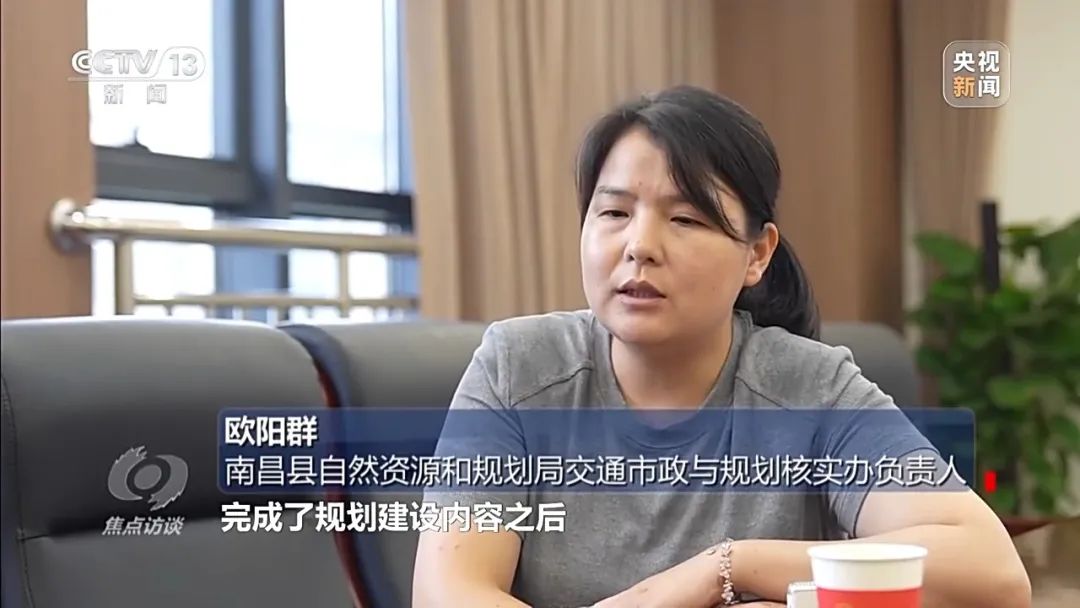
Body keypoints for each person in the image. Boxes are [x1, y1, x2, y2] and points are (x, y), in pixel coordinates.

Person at [412, 85, 1031, 608]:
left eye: (685, 219)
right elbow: (449, 594)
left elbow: (992, 571)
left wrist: (726, 567)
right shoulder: (519, 368)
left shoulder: (809, 388)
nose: (639, 246)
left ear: (757, 254)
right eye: (614, 214)